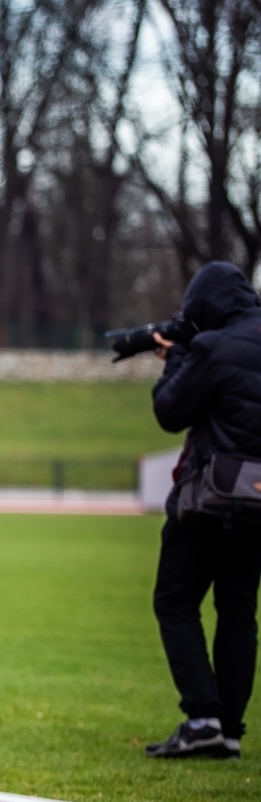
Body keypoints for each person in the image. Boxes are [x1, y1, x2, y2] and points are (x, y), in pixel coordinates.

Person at [145, 261, 261, 759]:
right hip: (260, 500)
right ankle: (229, 727)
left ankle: (202, 717)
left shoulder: (212, 347)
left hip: (209, 498)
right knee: (238, 610)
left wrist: (175, 358)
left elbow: (171, 412)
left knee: (175, 600)